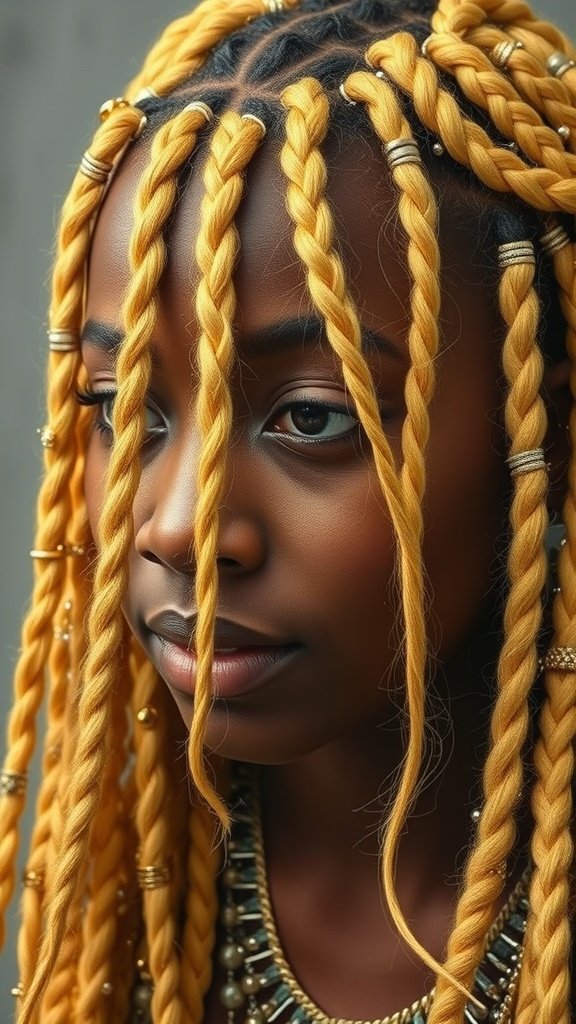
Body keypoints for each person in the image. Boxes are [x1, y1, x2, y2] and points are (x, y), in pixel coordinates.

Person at [1, 0, 575, 1021]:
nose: (176, 527)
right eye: (121, 408)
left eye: (310, 417)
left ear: (542, 420)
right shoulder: (130, 905)